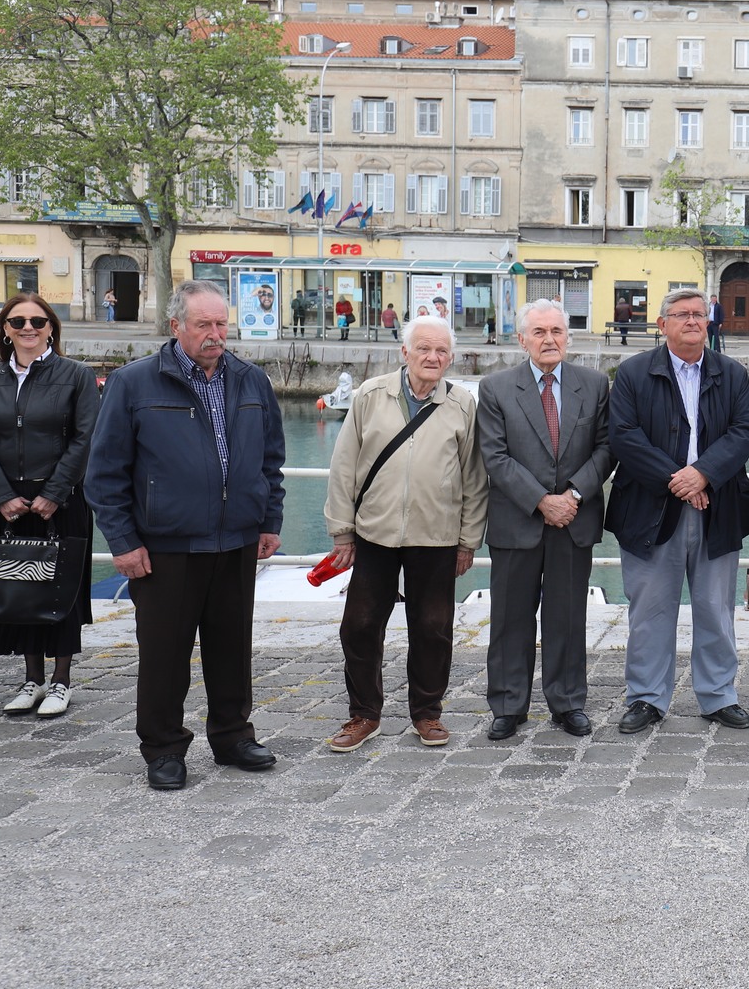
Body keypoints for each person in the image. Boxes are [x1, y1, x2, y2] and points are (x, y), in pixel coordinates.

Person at [86, 281, 285, 791]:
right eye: (204, 325)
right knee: (164, 654)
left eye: (222, 324)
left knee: (231, 646)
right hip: (164, 545)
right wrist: (123, 542)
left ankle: (233, 735)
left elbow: (271, 461)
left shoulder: (251, 380)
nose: (216, 335)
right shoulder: (134, 384)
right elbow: (105, 473)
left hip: (236, 540)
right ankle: (163, 748)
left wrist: (269, 521)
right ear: (177, 326)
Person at [321, 314, 488, 753]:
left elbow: (474, 476)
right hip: (374, 532)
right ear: (405, 353)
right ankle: (364, 714)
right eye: (424, 349)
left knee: (433, 627)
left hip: (437, 535)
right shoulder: (370, 395)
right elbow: (343, 468)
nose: (432, 357)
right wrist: (342, 531)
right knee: (359, 625)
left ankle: (427, 713)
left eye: (441, 351)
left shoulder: (461, 404)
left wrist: (469, 539)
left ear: (450, 358)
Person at [609, 289, 749, 734]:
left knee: (716, 608)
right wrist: (680, 478)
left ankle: (718, 696)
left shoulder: (731, 373)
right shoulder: (634, 373)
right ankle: (647, 698)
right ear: (662, 324)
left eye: (699, 314)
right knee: (650, 610)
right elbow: (624, 435)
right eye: (681, 315)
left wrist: (703, 474)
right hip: (650, 509)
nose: (692, 321)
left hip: (717, 507)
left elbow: (744, 430)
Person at [477, 300, 611, 741]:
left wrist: (571, 495)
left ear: (567, 337)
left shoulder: (593, 385)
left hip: (574, 519)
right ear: (522, 339)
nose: (549, 339)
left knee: (568, 618)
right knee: (510, 618)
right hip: (517, 521)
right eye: (539, 332)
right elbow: (494, 456)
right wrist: (541, 501)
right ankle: (508, 705)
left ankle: (568, 702)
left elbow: (607, 449)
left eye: (556, 331)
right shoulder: (496, 388)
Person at [0, 294, 99, 720]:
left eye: (37, 321)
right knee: (18, 588)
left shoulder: (76, 375)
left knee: (61, 592)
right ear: (5, 328)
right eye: (17, 320)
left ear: (51, 328)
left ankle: (61, 681)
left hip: (61, 501)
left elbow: (85, 438)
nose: (28, 328)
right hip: (8, 504)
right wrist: (2, 496)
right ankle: (31, 679)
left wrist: (53, 493)